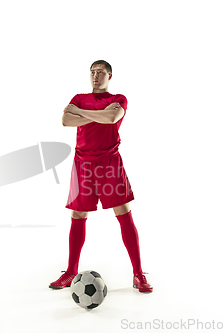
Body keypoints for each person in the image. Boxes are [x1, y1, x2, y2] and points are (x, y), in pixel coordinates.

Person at [49, 60, 152, 293]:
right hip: (82, 164)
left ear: (110, 76)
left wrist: (84, 114)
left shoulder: (118, 99)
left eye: (101, 72)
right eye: (92, 72)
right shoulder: (78, 97)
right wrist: (98, 114)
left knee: (123, 212)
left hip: (109, 163)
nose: (96, 76)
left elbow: (112, 119)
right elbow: (66, 120)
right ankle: (70, 271)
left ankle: (138, 274)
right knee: (78, 213)